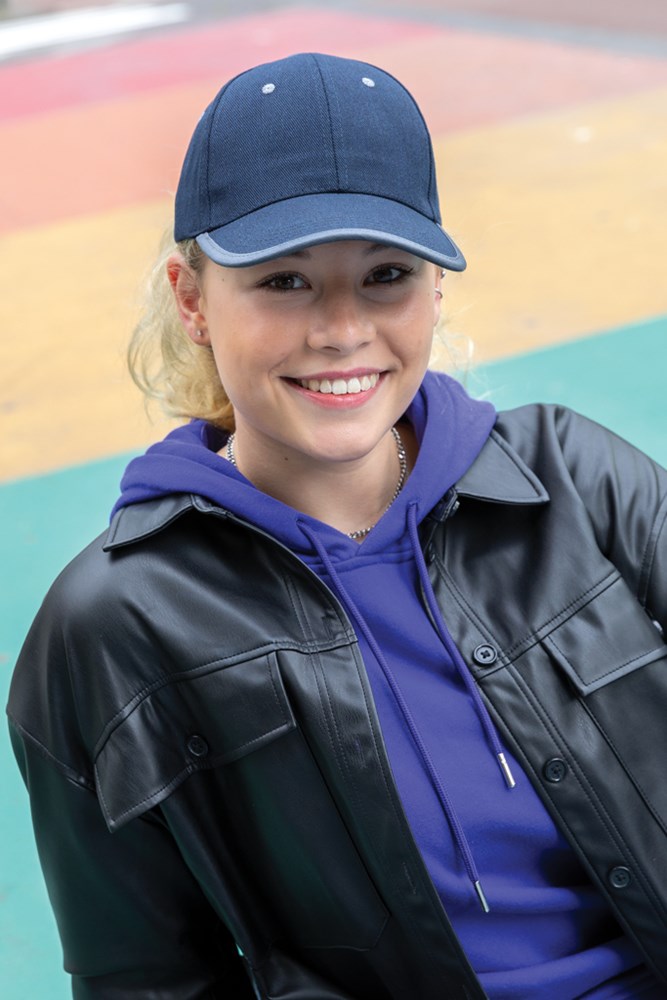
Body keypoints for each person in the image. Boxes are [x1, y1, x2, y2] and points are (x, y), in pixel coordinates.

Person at [7, 51, 667, 1000]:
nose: (341, 331)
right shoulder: (113, 625)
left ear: (434, 289)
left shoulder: (571, 478)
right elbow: (144, 978)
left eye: (385, 275)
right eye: (285, 282)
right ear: (192, 300)